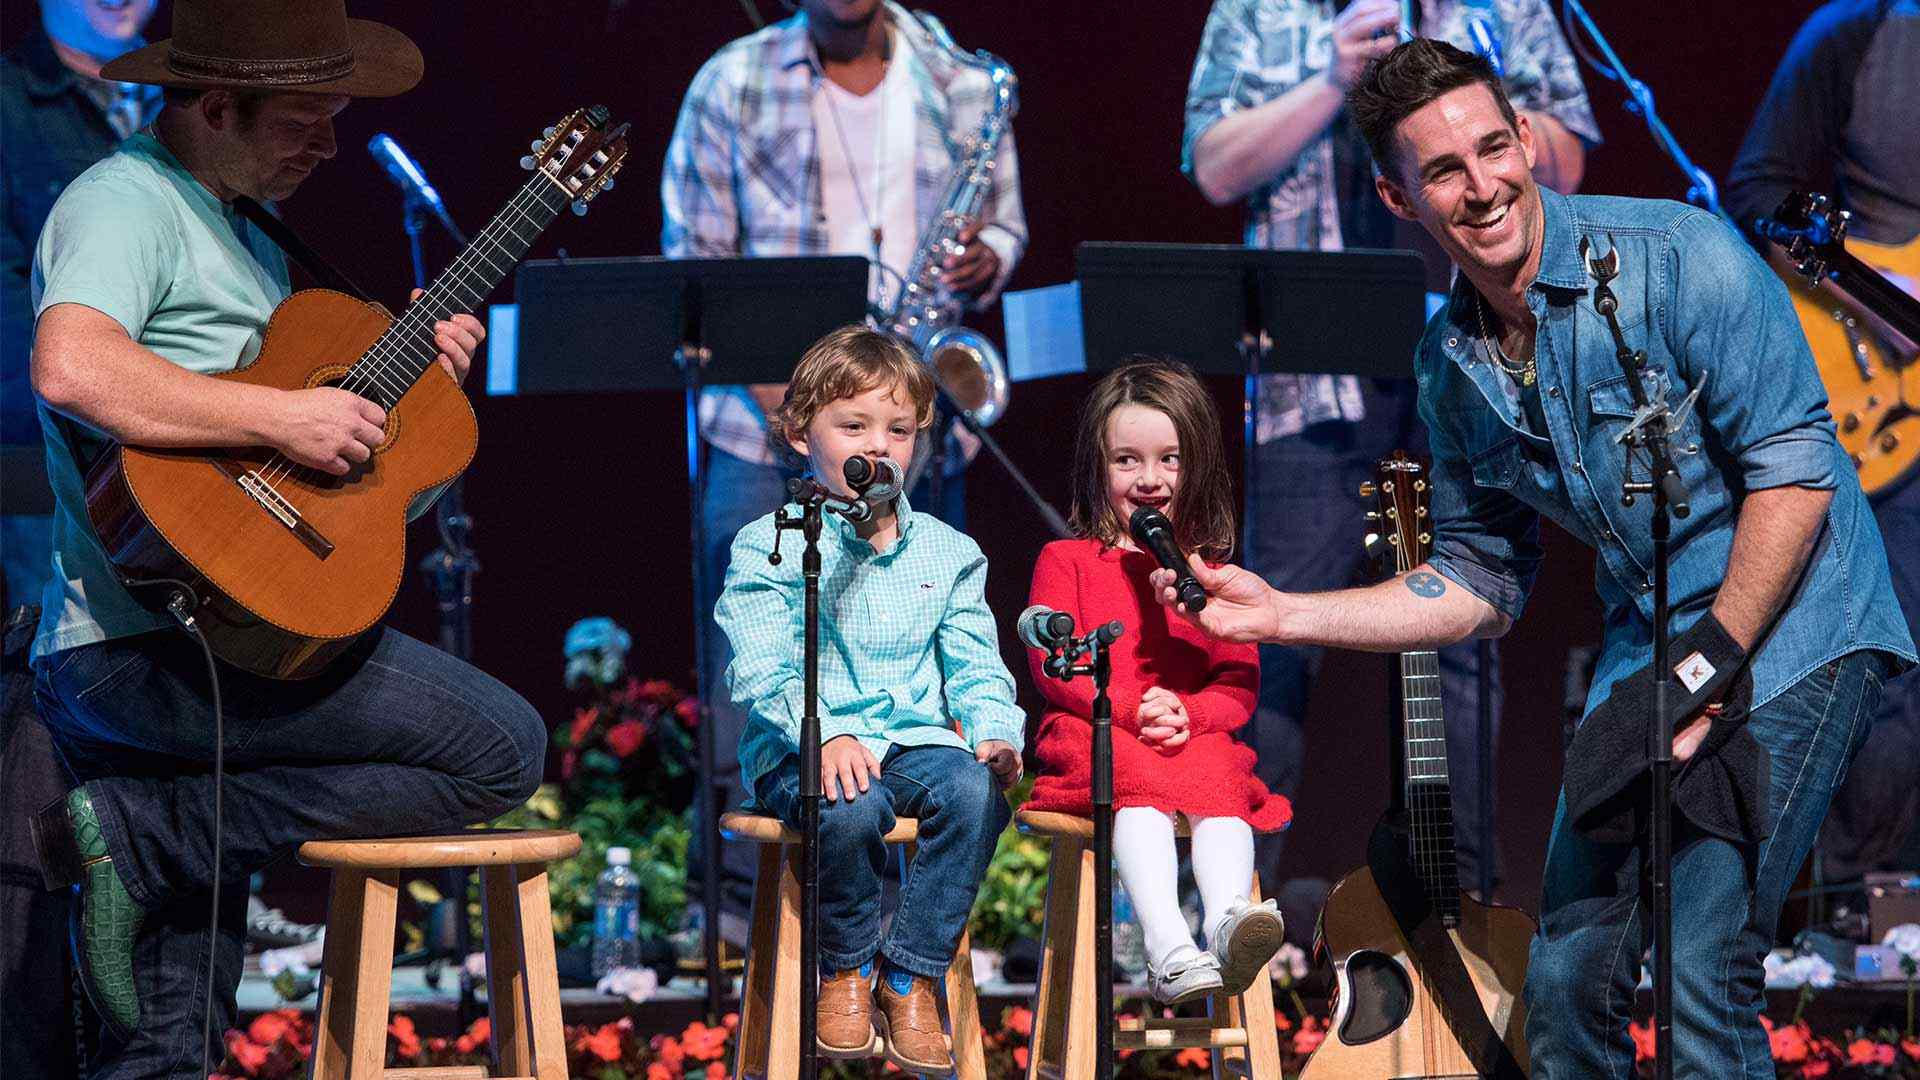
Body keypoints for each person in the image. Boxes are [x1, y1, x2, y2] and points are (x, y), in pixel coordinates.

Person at [1154, 39, 1913, 1076]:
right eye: (1444, 171)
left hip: (1795, 622)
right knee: (1563, 982)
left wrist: (1706, 671)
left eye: (1495, 147)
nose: (1483, 186)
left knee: (1701, 966)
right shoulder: (1448, 365)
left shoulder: (1678, 256)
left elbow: (1797, 475)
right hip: (1655, 639)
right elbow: (1476, 579)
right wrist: (1282, 612)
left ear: (1526, 141)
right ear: (1397, 196)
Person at [26, 1, 545, 1072]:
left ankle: (155, 834)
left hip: (220, 640)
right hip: (140, 648)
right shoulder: (127, 203)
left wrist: (403, 410)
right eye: (305, 118)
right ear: (215, 103)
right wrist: (284, 415)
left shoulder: (244, 229)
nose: (331, 144)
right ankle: (145, 833)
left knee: (167, 1036)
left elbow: (308, 507)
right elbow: (69, 366)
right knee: (502, 748)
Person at [1180, 0, 1599, 899]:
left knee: (1464, 635)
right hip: (1313, 386)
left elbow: (1562, 160)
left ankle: (1458, 912)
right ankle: (1228, 915)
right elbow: (1214, 165)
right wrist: (1329, 81)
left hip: (1473, 366)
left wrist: (1474, 75)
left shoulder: (1503, 8)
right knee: (1271, 641)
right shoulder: (1260, 12)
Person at [662, 0, 1026, 946]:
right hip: (762, 424)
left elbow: (1007, 224)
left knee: (921, 658)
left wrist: (991, 253)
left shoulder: (958, 73)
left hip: (909, 428)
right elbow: (692, 265)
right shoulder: (731, 80)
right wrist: (800, 414)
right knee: (751, 669)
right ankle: (746, 916)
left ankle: (906, 931)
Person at [715, 325, 1023, 1073]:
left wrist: (994, 729)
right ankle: (845, 967)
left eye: (898, 430)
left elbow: (977, 664)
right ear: (800, 434)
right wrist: (825, 734)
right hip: (803, 744)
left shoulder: (950, 553)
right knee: (851, 806)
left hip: (915, 739)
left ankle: (909, 973)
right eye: (854, 425)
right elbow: (760, 667)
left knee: (974, 792)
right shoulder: (771, 544)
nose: (878, 445)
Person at [1724, 0, 1920, 892]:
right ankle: (1845, 919)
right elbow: (1758, 193)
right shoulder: (1858, 28)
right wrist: (1880, 285)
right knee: (1889, 675)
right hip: (1883, 396)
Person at [1022, 359, 1290, 1004]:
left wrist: (1189, 715)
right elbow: (1051, 671)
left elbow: (1237, 682)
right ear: (1098, 466)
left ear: (1196, 463)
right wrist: (1126, 707)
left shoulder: (1214, 573)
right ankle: (1169, 948)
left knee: (1220, 785)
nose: (1149, 479)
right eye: (1127, 461)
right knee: (1134, 788)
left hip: (1185, 733)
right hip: (1098, 728)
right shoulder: (1067, 560)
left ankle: (1228, 921)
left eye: (1169, 459)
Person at [2, 0, 160, 611]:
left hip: (193, 447)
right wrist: (106, 410)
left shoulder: (191, 105)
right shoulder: (9, 101)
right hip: (54, 452)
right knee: (66, 663)